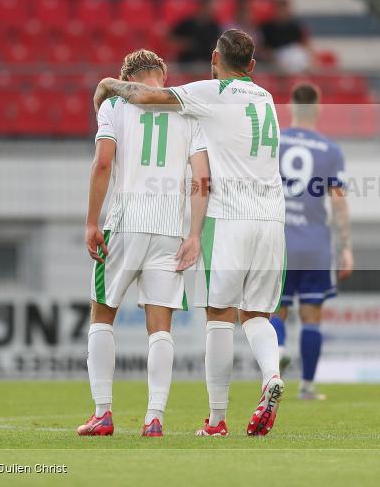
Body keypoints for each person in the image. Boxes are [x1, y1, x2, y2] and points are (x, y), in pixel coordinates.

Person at [93, 29, 286, 438]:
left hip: (228, 218)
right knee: (256, 315)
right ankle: (270, 376)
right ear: (252, 65)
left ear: (215, 58)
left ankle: (216, 421)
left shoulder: (208, 93)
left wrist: (109, 84)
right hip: (272, 220)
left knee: (219, 316)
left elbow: (145, 98)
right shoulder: (267, 99)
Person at [78, 49, 210, 437]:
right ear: (161, 76)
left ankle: (103, 413)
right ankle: (155, 418)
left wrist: (91, 221)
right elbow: (201, 178)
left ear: (127, 76)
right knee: (161, 327)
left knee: (102, 313)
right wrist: (194, 233)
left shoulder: (115, 104)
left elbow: (103, 163)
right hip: (170, 229)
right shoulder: (188, 110)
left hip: (125, 222)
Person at [270, 83, 353, 400]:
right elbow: (339, 202)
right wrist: (345, 245)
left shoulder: (276, 142)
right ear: (318, 108)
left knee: (275, 310)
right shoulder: (330, 150)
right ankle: (307, 387)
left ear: (291, 107)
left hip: (279, 239)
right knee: (312, 315)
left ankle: (276, 358)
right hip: (316, 243)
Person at [259, 0, 313, 73]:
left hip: (294, 55)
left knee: (299, 57)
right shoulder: (267, 27)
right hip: (276, 57)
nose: (282, 11)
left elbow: (305, 44)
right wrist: (274, 56)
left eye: (284, 9)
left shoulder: (296, 25)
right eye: (279, 8)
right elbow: (262, 48)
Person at [170, 0, 222, 65]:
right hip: (186, 63)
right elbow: (170, 38)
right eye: (208, 8)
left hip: (207, 65)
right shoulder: (187, 23)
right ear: (202, 7)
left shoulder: (214, 26)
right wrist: (183, 43)